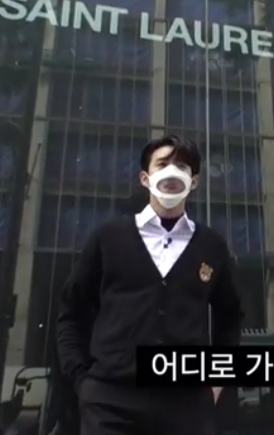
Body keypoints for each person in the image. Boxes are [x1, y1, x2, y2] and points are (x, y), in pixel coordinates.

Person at [56, 134, 244, 435]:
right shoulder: (108, 238)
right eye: (162, 164)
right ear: (145, 178)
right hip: (110, 402)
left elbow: (230, 318)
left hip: (187, 405)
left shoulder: (212, 245)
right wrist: (82, 379)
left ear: (194, 182)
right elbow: (71, 312)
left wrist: (216, 382)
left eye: (181, 166)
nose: (172, 172)